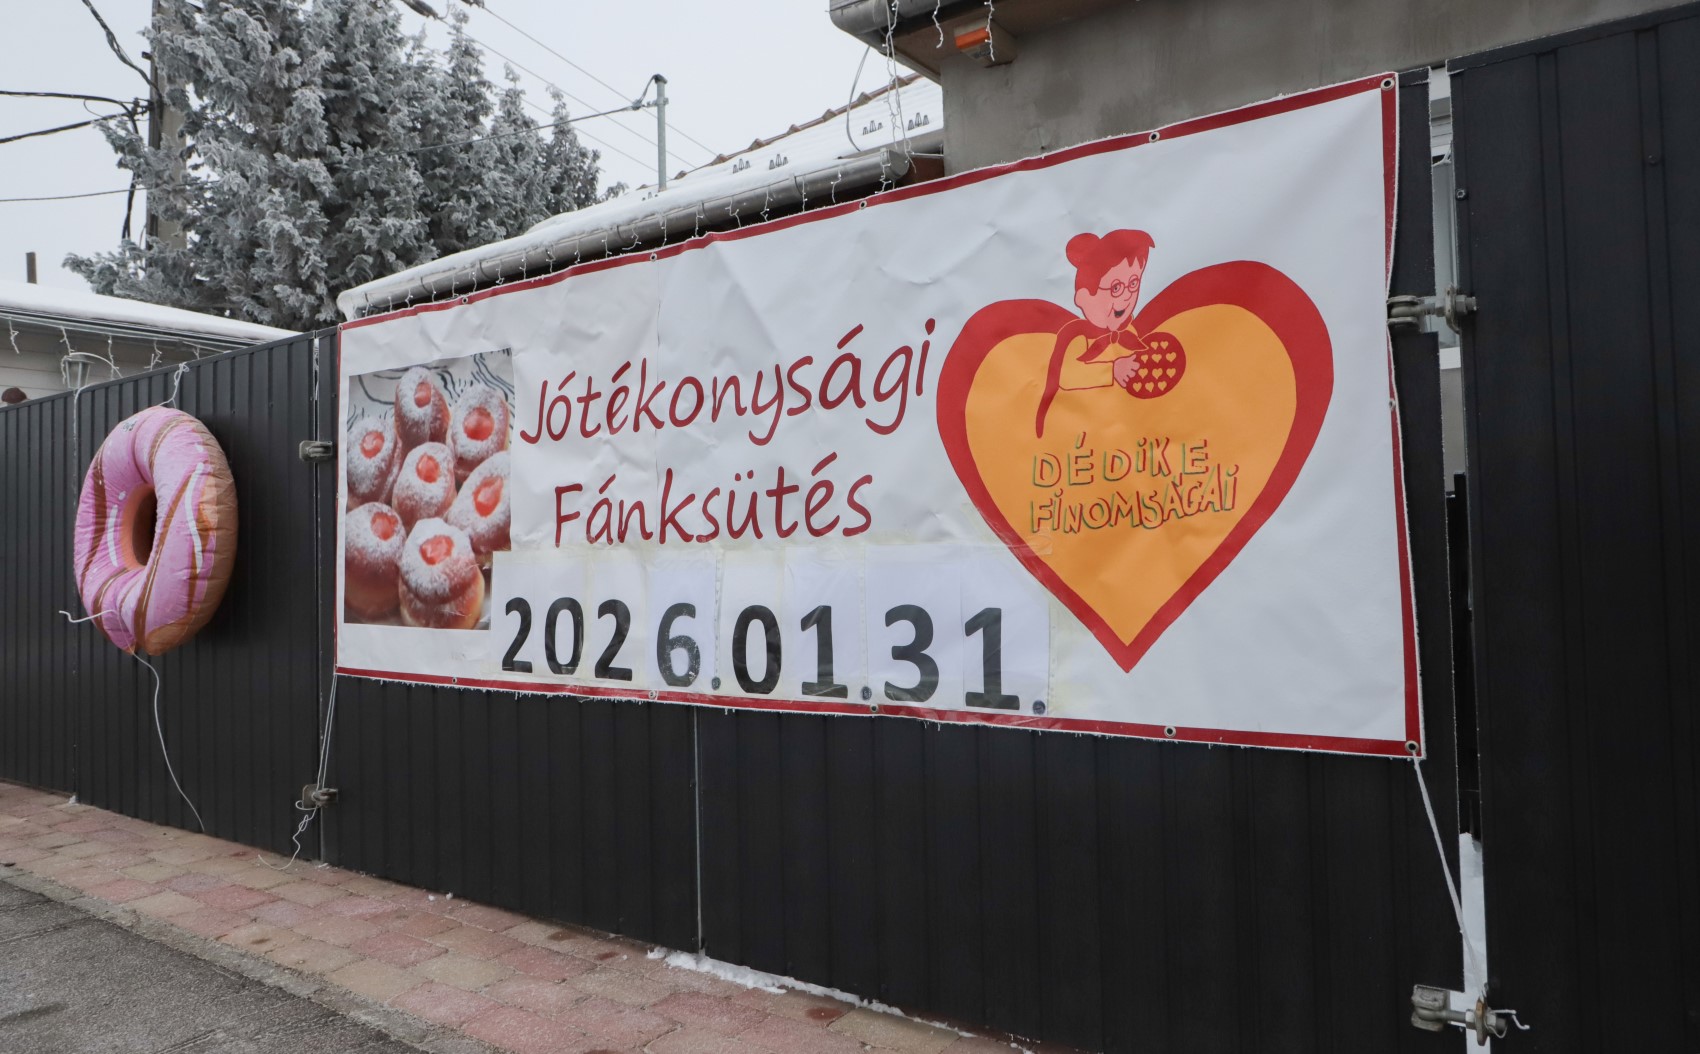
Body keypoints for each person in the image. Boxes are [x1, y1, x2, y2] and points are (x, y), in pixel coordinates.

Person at [1035, 229, 1155, 437]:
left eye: (1133, 284)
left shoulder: (1130, 331)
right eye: (1116, 288)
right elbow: (1069, 376)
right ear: (1083, 297)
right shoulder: (1077, 335)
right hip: (1076, 430)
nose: (1127, 296)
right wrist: (1112, 370)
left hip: (1124, 429)